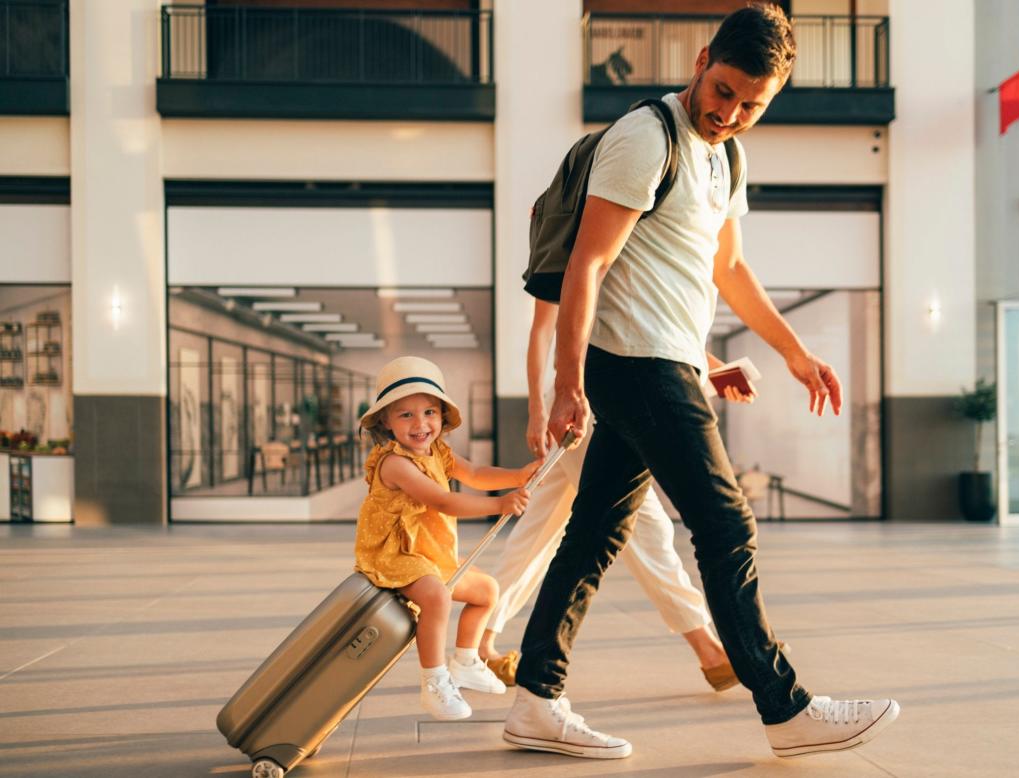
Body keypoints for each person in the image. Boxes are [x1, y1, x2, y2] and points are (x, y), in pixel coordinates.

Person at [501, 5, 899, 760]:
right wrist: (563, 381)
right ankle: (784, 707)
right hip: (636, 364)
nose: (730, 113)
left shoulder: (725, 158)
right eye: (722, 91)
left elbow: (726, 269)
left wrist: (789, 352)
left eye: (752, 104)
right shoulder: (645, 138)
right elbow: (587, 264)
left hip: (669, 363)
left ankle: (533, 697)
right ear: (700, 59)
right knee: (724, 526)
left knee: (593, 534)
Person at [478, 298, 750, 692]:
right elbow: (542, 331)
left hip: (615, 402)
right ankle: (710, 651)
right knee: (645, 525)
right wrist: (537, 409)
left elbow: (651, 328)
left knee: (540, 529)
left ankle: (477, 641)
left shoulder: (631, 253)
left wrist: (716, 370)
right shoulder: (573, 243)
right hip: (580, 406)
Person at [355, 356, 540, 721]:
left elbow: (476, 473)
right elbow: (442, 501)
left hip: (428, 553)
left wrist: (518, 476)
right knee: (437, 597)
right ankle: (433, 681)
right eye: (405, 415)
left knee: (487, 590)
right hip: (395, 554)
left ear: (441, 417)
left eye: (429, 412)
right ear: (386, 423)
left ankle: (467, 660)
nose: (420, 423)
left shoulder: (438, 452)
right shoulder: (395, 463)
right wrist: (500, 504)